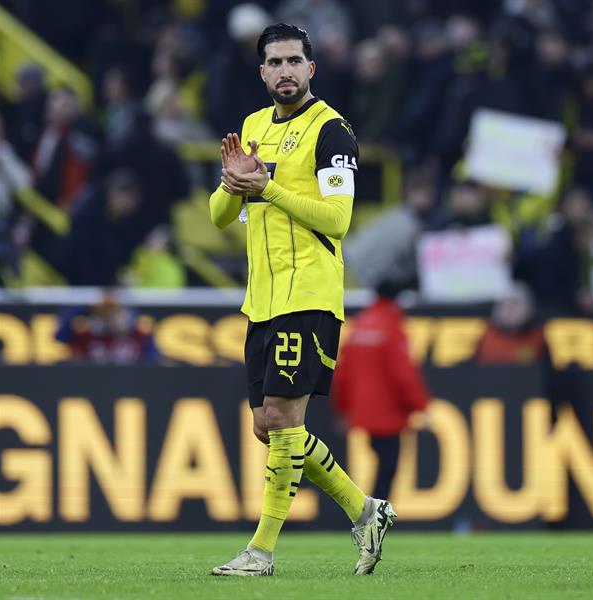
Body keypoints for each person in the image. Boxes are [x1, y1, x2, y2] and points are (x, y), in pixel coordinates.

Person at [207, 23, 396, 578]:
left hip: (309, 293)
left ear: (311, 69)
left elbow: (338, 220)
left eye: (294, 61)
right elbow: (220, 217)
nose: (285, 71)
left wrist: (267, 187)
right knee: (268, 424)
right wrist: (234, 183)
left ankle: (260, 552)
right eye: (275, 62)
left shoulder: (331, 130)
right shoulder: (253, 127)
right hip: (260, 300)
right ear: (262, 71)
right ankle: (366, 510)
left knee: (285, 423)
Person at [330, 279, 430, 501]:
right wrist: (421, 406)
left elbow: (342, 375)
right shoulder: (392, 328)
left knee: (382, 463)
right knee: (388, 466)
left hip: (362, 411)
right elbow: (403, 374)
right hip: (388, 413)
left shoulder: (360, 325)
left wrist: (342, 410)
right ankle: (375, 515)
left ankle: (372, 511)